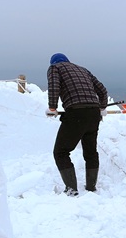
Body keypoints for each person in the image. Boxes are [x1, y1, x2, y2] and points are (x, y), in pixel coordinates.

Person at [46, 53, 109, 195]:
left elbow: (54, 85)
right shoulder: (82, 69)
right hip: (93, 113)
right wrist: (102, 106)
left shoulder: (55, 68)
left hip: (76, 113)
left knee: (61, 152)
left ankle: (72, 190)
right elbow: (102, 89)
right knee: (91, 152)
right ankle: (91, 187)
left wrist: (52, 107)